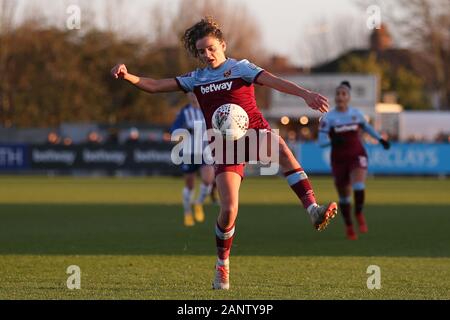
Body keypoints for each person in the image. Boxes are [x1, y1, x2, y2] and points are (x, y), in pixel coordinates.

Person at [111, 17, 337, 290]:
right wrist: (128, 76)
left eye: (210, 48)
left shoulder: (240, 68)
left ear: (222, 45)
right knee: (229, 210)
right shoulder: (197, 79)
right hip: (224, 145)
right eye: (201, 51)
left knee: (281, 149)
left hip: (254, 132)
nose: (206, 55)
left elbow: (274, 81)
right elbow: (157, 86)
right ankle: (222, 264)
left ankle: (313, 209)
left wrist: (305, 94)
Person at [318, 81, 391, 240]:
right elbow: (321, 141)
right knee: (344, 197)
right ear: (335, 97)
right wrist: (332, 141)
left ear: (349, 97)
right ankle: (349, 226)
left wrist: (380, 139)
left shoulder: (356, 114)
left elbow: (367, 128)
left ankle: (358, 212)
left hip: (357, 154)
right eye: (338, 94)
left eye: (343, 94)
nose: (340, 97)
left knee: (358, 185)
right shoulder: (328, 118)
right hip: (339, 160)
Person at [170, 92, 215, 227]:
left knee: (208, 181)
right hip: (189, 152)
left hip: (205, 151)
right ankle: (187, 212)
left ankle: (199, 203)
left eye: (196, 93)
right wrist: (184, 131)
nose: (194, 96)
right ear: (188, 96)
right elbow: (174, 130)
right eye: (191, 93)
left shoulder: (209, 108)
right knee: (190, 185)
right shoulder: (184, 112)